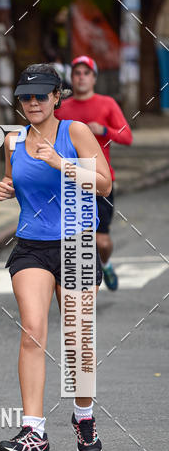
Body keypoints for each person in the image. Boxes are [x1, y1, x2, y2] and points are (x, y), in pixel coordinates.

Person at [0, 63, 112, 451]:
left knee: (77, 339)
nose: (33, 103)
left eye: (41, 96)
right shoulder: (13, 141)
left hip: (76, 243)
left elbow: (105, 183)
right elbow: (19, 184)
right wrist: (7, 188)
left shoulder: (73, 132)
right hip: (32, 246)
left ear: (57, 97)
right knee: (32, 330)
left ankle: (83, 415)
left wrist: (62, 164)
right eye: (26, 97)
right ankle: (34, 432)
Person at [56, 55, 133, 290]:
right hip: (69, 182)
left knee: (101, 241)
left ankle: (106, 264)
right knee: (73, 241)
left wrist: (104, 129)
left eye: (86, 73)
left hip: (100, 181)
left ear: (94, 78)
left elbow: (127, 137)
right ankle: (81, 290)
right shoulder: (62, 108)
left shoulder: (106, 103)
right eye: (77, 73)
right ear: (71, 77)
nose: (81, 77)